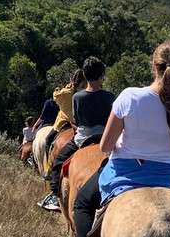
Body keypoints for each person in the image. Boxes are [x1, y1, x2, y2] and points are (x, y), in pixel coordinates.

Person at [70, 41, 170, 237]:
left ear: (153, 66)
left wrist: (129, 146)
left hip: (123, 174)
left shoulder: (129, 97)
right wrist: (162, 153)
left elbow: (106, 146)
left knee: (82, 203)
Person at [39, 57, 114, 212]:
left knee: (58, 161)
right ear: (102, 76)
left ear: (84, 75)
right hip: (106, 138)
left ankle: (55, 196)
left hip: (82, 139)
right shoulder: (109, 96)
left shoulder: (77, 97)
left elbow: (77, 120)